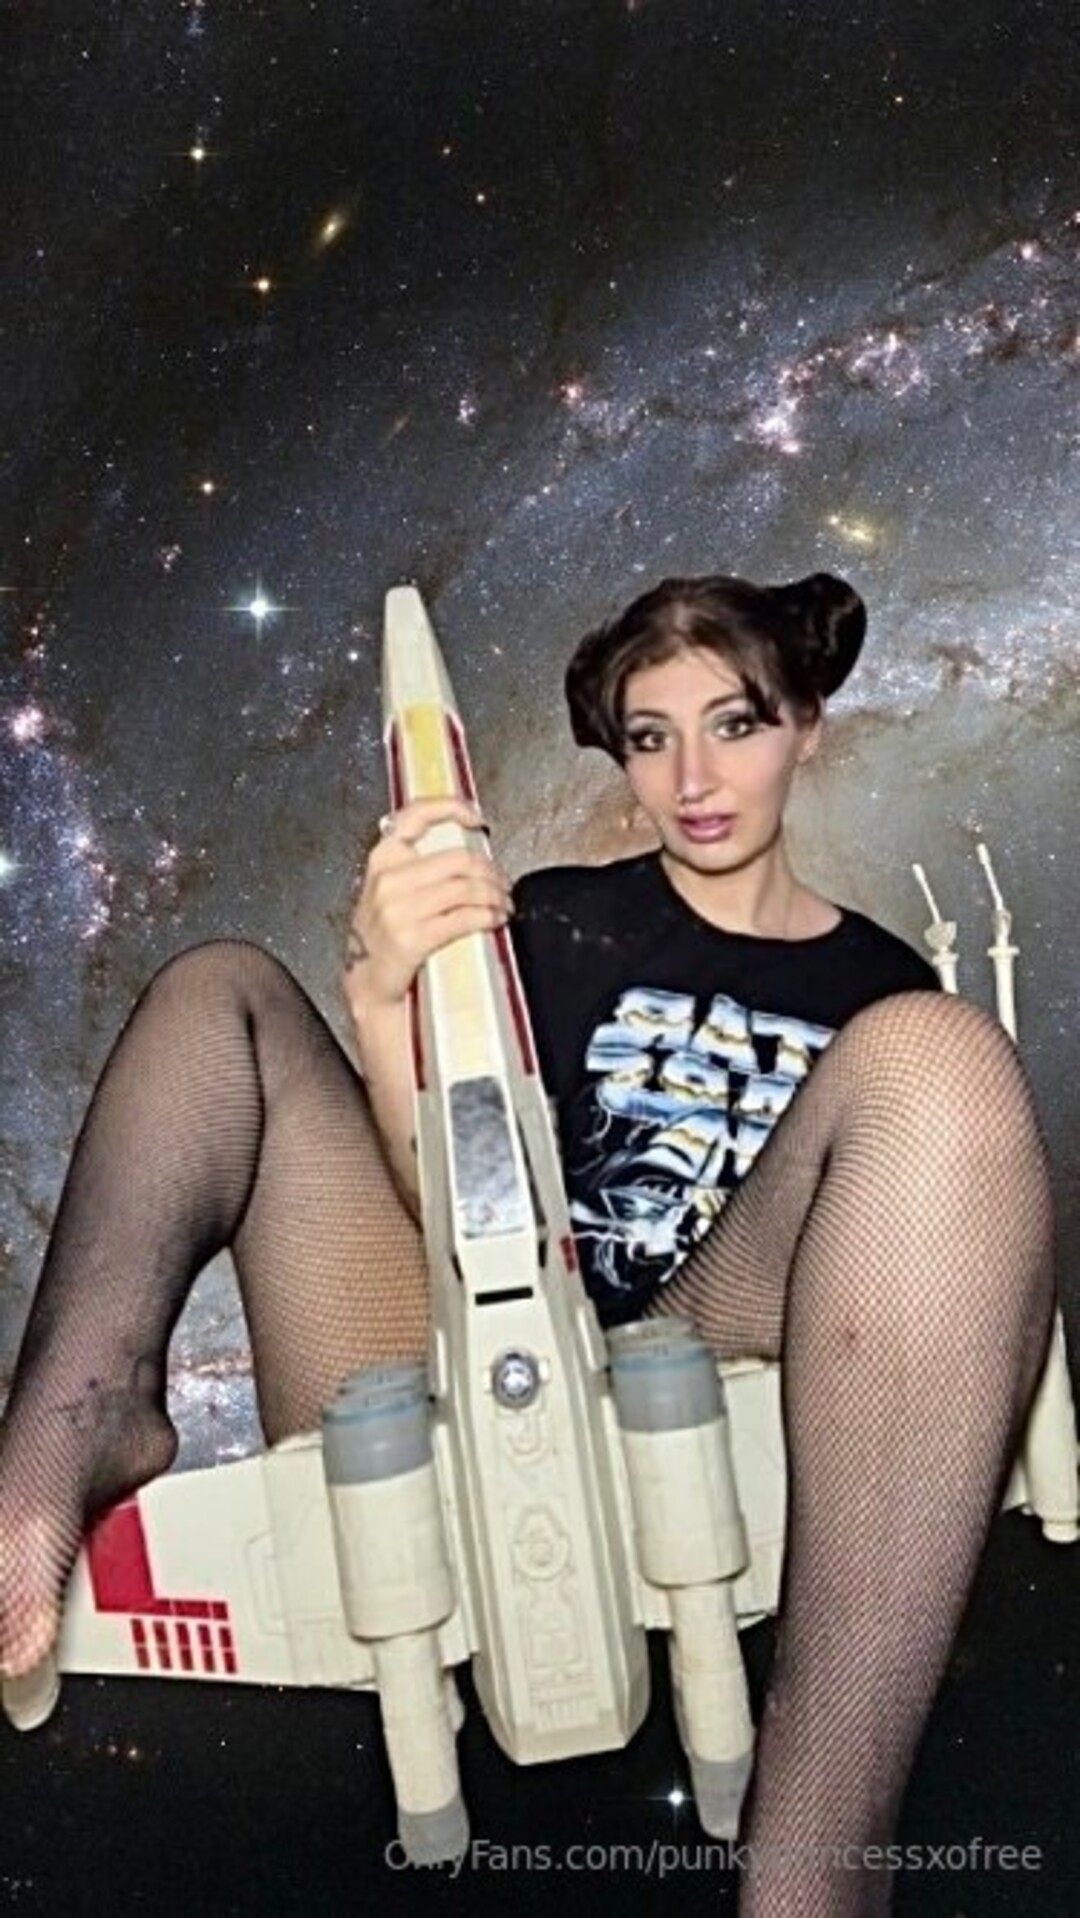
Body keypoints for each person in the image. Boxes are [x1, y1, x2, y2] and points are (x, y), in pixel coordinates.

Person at [0, 572, 1053, 1916]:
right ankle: (70, 1427)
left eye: (734, 724)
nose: (693, 778)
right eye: (651, 738)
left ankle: (817, 1868)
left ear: (807, 724)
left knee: (944, 1056)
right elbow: (454, 1197)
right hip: (476, 1327)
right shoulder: (555, 918)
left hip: (715, 1337)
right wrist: (386, 1001)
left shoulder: (880, 986)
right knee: (222, 991)